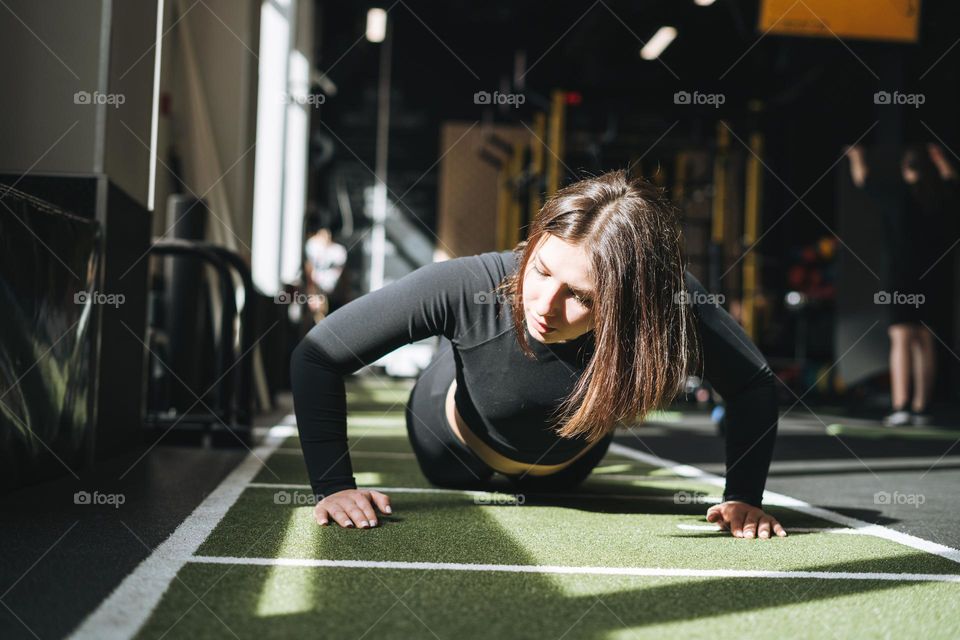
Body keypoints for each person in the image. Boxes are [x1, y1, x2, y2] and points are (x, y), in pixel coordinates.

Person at [290, 169, 787, 539]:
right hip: (451, 447)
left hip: (568, 471)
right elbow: (317, 355)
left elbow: (753, 383)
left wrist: (743, 496)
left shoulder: (668, 306)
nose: (545, 306)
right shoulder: (471, 285)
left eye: (582, 296)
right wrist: (334, 485)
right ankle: (458, 350)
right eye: (543, 270)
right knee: (476, 345)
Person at [846, 143, 958, 426]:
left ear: (905, 169)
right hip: (933, 279)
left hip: (901, 278)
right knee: (924, 341)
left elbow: (863, 180)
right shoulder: (937, 196)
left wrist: (856, 156)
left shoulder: (896, 195)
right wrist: (941, 159)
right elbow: (953, 183)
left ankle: (901, 405)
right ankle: (920, 408)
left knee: (902, 340)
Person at [303, 227, 347, 323]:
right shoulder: (328, 284)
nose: (312, 303)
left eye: (311, 306)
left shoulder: (311, 246)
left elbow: (308, 265)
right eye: (316, 306)